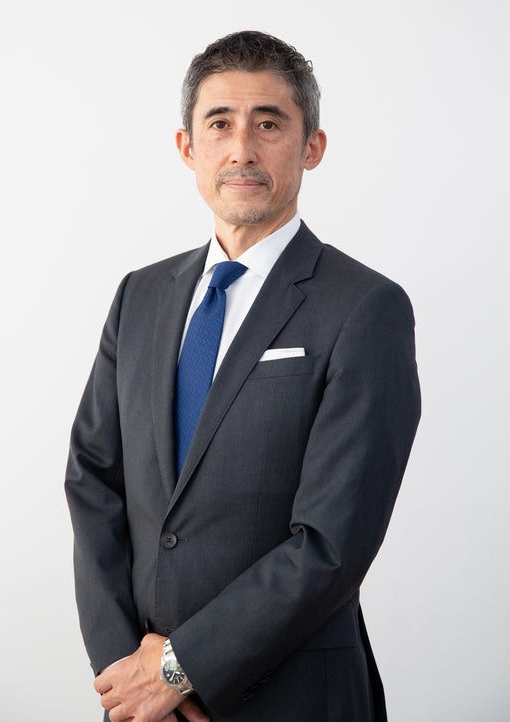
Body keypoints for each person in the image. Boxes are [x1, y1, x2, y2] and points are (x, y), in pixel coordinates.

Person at [65, 29, 421, 722]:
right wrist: (125, 670)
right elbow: (93, 480)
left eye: (269, 124)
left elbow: (332, 542)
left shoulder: (365, 308)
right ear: (187, 147)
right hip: (139, 700)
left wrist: (181, 669)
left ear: (312, 146)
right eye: (220, 124)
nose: (242, 150)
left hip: (294, 696)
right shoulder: (140, 296)